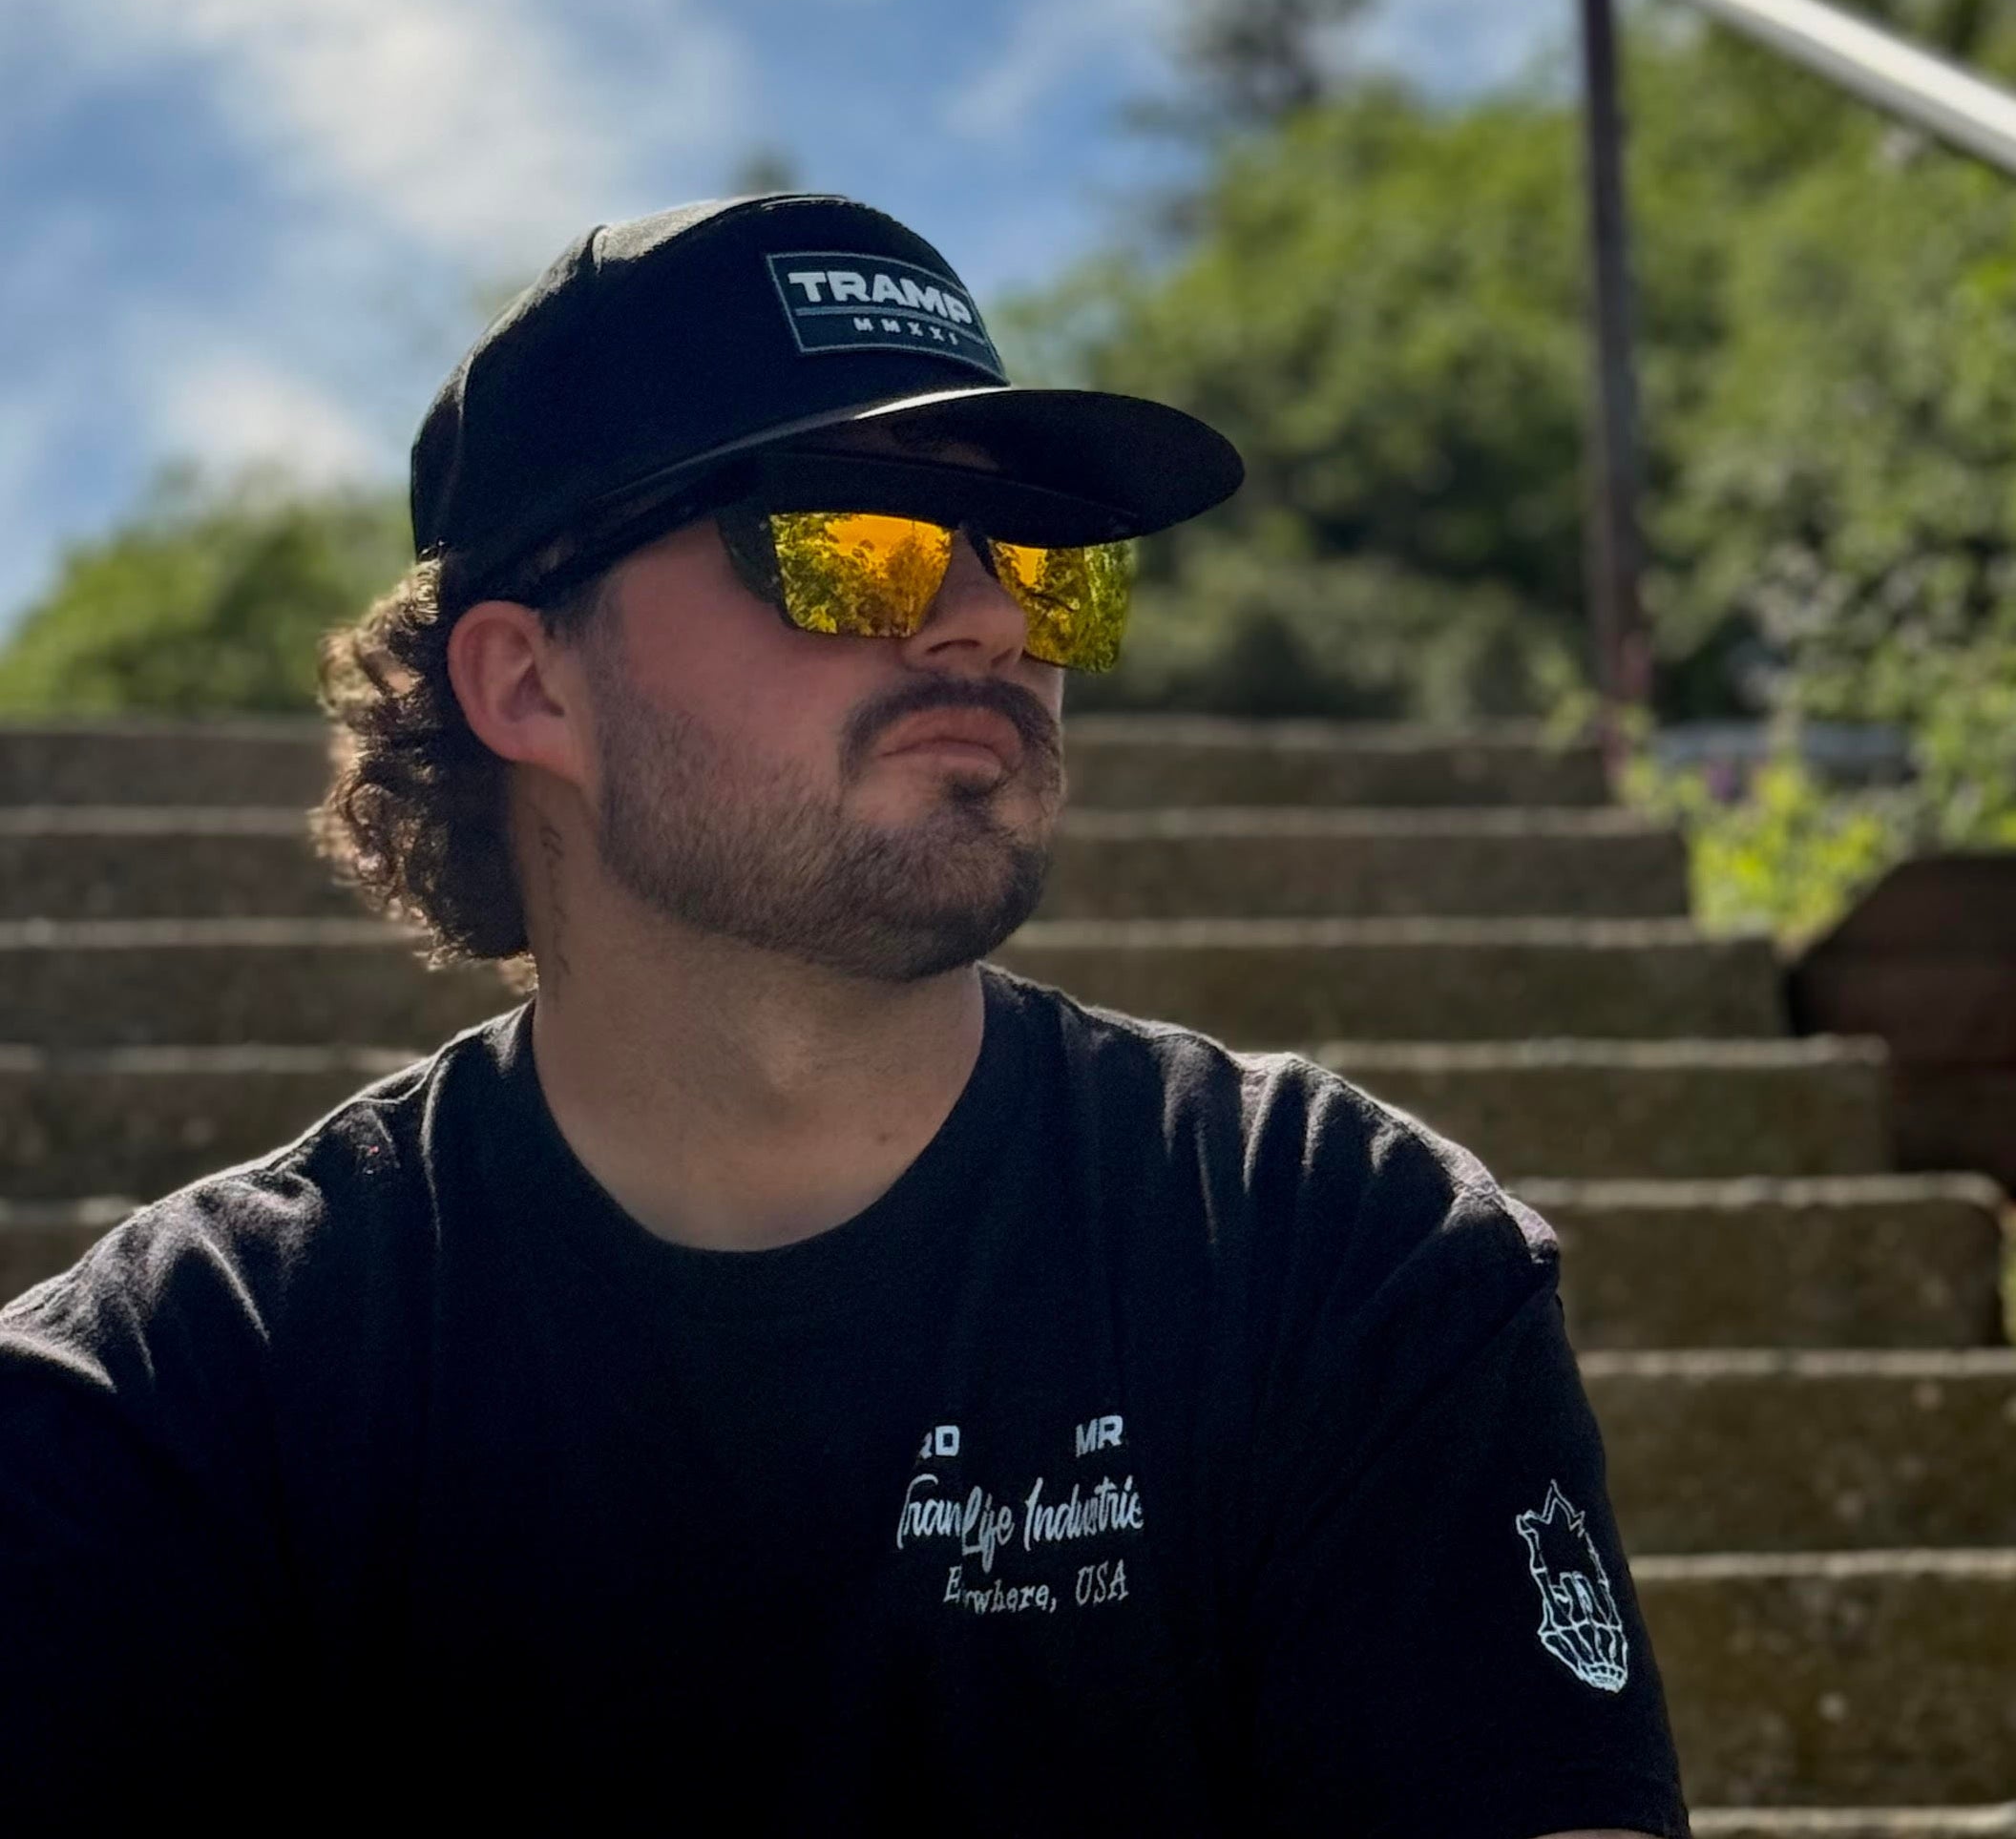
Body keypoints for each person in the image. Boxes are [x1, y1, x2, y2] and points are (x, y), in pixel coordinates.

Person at [0, 195, 1689, 1833]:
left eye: (1045, 561)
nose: (994, 620)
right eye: (847, 545)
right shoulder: (174, 1399)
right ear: (529, 683)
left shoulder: (1340, 1255)